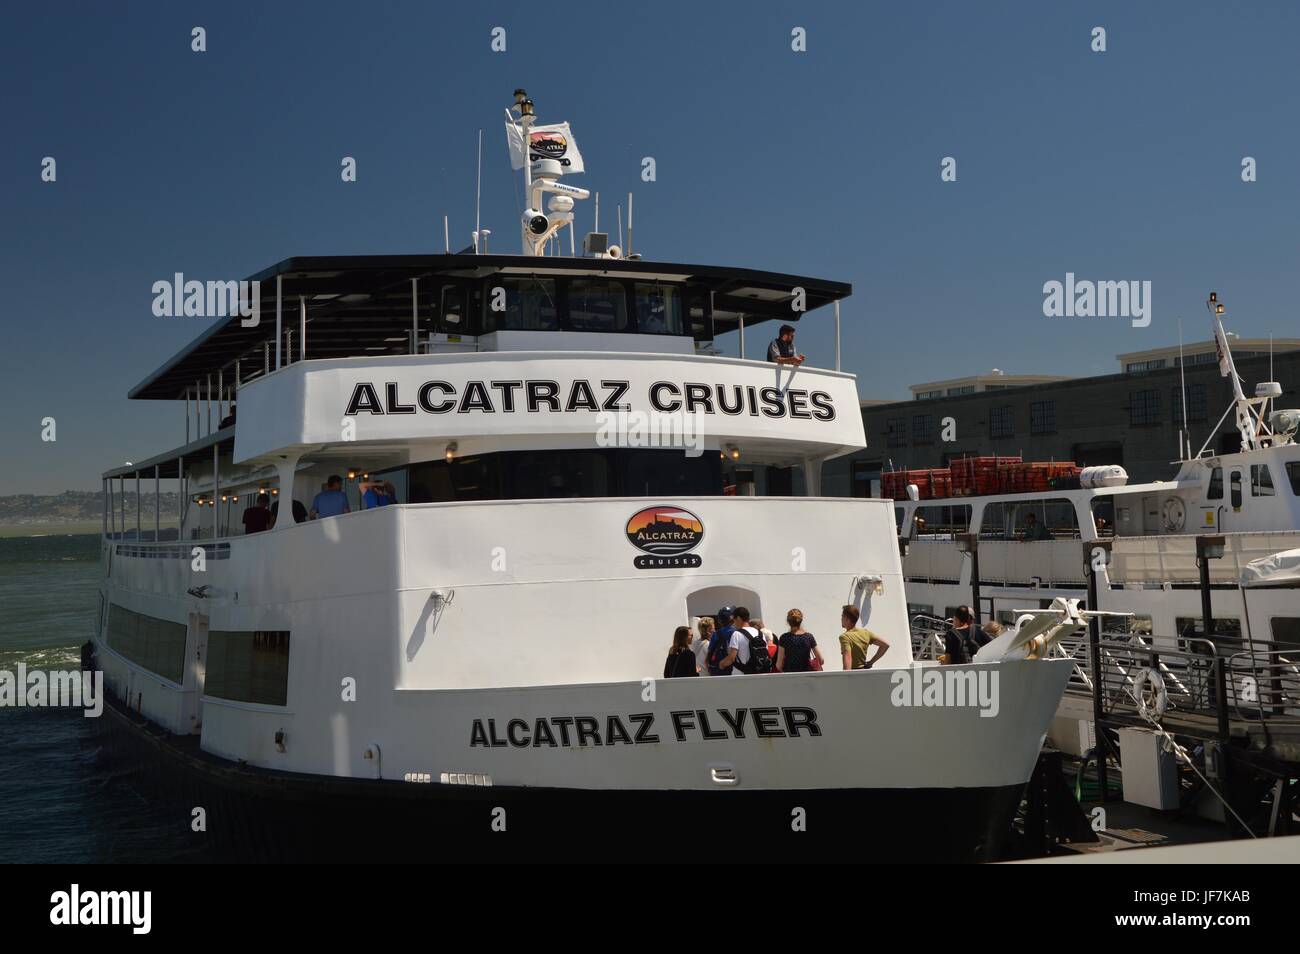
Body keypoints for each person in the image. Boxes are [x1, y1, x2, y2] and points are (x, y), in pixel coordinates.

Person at [719, 606, 773, 675]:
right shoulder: (760, 633)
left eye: (734, 620)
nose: (733, 623)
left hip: (742, 675)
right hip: (759, 673)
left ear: (738, 618)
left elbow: (731, 658)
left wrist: (721, 664)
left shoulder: (736, 634)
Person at [839, 604, 890, 670]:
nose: (841, 619)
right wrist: (871, 662)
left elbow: (848, 658)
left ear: (847, 619)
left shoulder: (845, 637)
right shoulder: (866, 633)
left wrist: (847, 677)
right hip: (864, 673)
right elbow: (885, 645)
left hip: (853, 675)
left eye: (842, 616)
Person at [776, 608, 823, 673]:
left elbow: (778, 665)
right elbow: (821, 660)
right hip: (807, 675)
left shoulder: (784, 638)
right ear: (801, 620)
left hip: (790, 676)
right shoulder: (809, 637)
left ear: (788, 621)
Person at [707, 607, 736, 675]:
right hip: (734, 667)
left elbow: (710, 651)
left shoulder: (716, 634)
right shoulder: (737, 632)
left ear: (719, 620)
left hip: (719, 669)